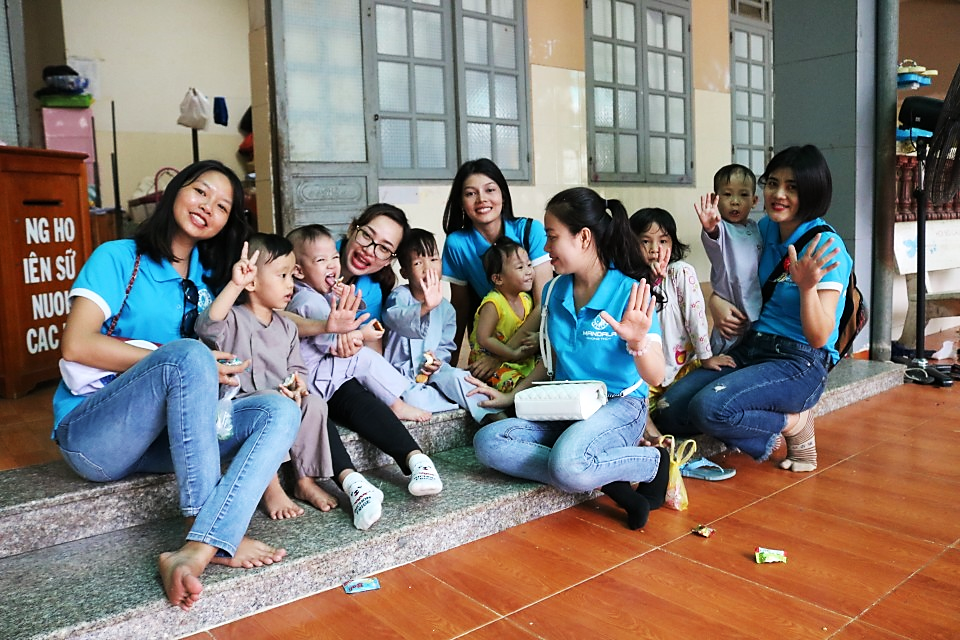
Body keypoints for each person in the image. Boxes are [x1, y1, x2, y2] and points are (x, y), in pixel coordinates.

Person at [53, 160, 300, 611]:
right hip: (95, 435)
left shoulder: (211, 280)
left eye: (222, 206)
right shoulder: (118, 257)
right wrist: (189, 361)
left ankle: (197, 550)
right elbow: (76, 343)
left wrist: (331, 327)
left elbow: (269, 311)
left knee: (279, 410)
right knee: (188, 353)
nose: (208, 207)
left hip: (167, 439)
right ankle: (204, 531)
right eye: (200, 192)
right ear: (175, 191)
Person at [471, 187, 670, 531]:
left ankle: (651, 462)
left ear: (584, 238)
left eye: (552, 237)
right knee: (488, 442)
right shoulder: (553, 292)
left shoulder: (630, 291)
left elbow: (655, 377)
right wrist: (510, 396)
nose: (546, 249)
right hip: (565, 405)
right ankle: (607, 477)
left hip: (619, 406)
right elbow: (550, 362)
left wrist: (638, 341)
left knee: (567, 465)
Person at [651, 145, 852, 474]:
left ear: (813, 192)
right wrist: (716, 302)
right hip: (751, 346)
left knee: (710, 408)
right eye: (772, 183)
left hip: (799, 360)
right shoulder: (765, 229)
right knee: (668, 408)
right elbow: (732, 275)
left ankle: (795, 423)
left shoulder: (827, 247)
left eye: (792, 187)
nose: (778, 194)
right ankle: (743, 417)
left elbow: (819, 337)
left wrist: (807, 288)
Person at [285, 210, 444, 531]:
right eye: (368, 236)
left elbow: (349, 336)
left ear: (389, 260)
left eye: (384, 248)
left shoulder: (356, 288)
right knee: (319, 406)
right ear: (352, 230)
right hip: (305, 381)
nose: (371, 250)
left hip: (328, 374)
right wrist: (356, 335)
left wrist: (352, 329)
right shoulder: (305, 292)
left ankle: (416, 459)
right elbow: (328, 335)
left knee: (362, 384)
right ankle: (358, 482)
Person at [194, 233, 338, 521]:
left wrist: (298, 386)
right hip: (240, 409)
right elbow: (206, 327)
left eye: (291, 275)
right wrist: (235, 284)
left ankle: (304, 479)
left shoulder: (287, 327)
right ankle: (270, 487)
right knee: (272, 406)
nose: (290, 284)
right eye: (282, 275)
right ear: (252, 282)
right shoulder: (233, 318)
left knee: (314, 405)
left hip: (281, 402)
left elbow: (297, 369)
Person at [286, 224, 431, 423]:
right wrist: (362, 335)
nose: (331, 265)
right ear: (298, 271)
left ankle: (397, 397)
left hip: (315, 374)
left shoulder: (315, 293)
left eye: (334, 257)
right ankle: (397, 406)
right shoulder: (309, 301)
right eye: (321, 260)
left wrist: (345, 298)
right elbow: (333, 345)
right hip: (312, 379)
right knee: (364, 358)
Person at [441, 158, 553, 373]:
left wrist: (500, 357)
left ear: (503, 194)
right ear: (461, 202)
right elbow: (460, 309)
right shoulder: (457, 243)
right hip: (490, 338)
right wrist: (448, 368)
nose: (481, 199)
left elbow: (543, 305)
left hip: (531, 337)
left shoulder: (531, 231)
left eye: (490, 190)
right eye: (470, 193)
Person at [382, 228, 504, 424]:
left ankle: (499, 417)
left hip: (432, 374)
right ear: (405, 272)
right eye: (418, 263)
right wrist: (424, 307)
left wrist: (438, 361)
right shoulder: (400, 296)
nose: (428, 268)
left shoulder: (446, 308)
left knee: (458, 377)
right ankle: (455, 401)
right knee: (412, 398)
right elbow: (397, 319)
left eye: (433, 259)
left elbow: (445, 346)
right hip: (401, 377)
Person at [629, 207, 734, 402]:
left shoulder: (680, 272)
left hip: (681, 368)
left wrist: (706, 357)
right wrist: (651, 280)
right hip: (646, 374)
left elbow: (696, 318)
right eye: (645, 241)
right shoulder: (629, 279)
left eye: (663, 241)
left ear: (672, 243)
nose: (654, 248)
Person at [695, 164, 763, 354]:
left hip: (755, 311)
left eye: (743, 195)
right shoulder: (721, 228)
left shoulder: (755, 228)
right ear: (715, 199)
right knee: (723, 350)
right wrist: (710, 227)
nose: (735, 202)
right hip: (730, 310)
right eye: (727, 194)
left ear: (754, 200)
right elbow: (713, 237)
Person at [467, 239, 539, 392]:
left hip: (517, 357)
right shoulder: (493, 304)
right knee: (518, 385)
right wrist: (511, 354)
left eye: (529, 265)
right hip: (488, 363)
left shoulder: (526, 299)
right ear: (498, 279)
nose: (528, 271)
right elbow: (484, 338)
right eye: (520, 267)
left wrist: (536, 338)